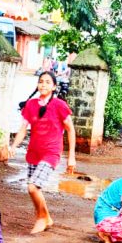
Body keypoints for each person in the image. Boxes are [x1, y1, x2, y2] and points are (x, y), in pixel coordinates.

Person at [10, 71, 77, 233]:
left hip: (51, 152)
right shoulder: (31, 105)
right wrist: (13, 146)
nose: (43, 85)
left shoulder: (59, 105)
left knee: (32, 187)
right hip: (34, 152)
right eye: (41, 81)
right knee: (34, 188)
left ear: (54, 86)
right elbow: (23, 129)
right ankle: (45, 217)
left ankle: (42, 218)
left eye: (48, 82)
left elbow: (71, 130)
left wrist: (72, 157)